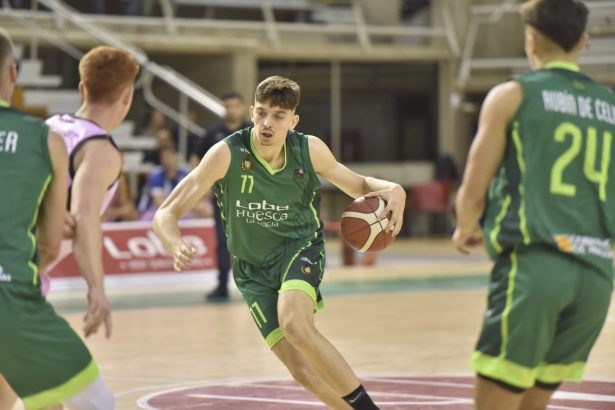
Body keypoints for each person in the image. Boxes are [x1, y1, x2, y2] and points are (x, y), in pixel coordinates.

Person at [153, 76, 406, 410]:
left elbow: (358, 184)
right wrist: (174, 244)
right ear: (252, 112)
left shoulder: (309, 149)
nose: (267, 123)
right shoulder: (226, 153)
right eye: (262, 113)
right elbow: (165, 213)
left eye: (278, 116)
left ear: (293, 121)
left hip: (298, 247)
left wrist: (394, 189)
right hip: (250, 269)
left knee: (295, 323)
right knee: (301, 371)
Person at [453, 1, 614, 409]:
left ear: (530, 40)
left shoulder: (512, 95)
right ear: (583, 40)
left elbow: (474, 186)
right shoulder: (610, 107)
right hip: (596, 278)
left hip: (536, 268)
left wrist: (465, 225)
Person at [0, 30, 116, 410]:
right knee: (93, 402)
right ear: (13, 74)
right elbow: (53, 241)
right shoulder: (42, 137)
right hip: (11, 293)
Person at [190, 91, 250, 301]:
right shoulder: (214, 132)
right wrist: (202, 185)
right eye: (228, 106)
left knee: (253, 241)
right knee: (223, 242)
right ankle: (222, 285)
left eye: (235, 105)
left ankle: (258, 286)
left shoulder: (252, 131)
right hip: (222, 198)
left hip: (251, 197)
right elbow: (196, 158)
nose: (231, 109)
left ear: (242, 107)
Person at [139, 144, 189, 220]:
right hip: (152, 211)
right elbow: (159, 202)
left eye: (169, 156)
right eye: (163, 158)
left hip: (174, 209)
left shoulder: (184, 175)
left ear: (176, 157)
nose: (166, 160)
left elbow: (190, 197)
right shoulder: (156, 175)